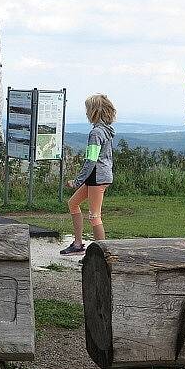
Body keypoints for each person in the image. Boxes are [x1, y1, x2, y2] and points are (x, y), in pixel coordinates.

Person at [60, 94, 116, 255]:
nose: (85, 113)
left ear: (94, 111)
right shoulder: (106, 130)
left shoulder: (96, 133)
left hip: (97, 177)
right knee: (73, 203)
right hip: (98, 176)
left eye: (87, 109)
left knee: (94, 216)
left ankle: (103, 255)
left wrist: (77, 181)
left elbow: (91, 161)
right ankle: (78, 244)